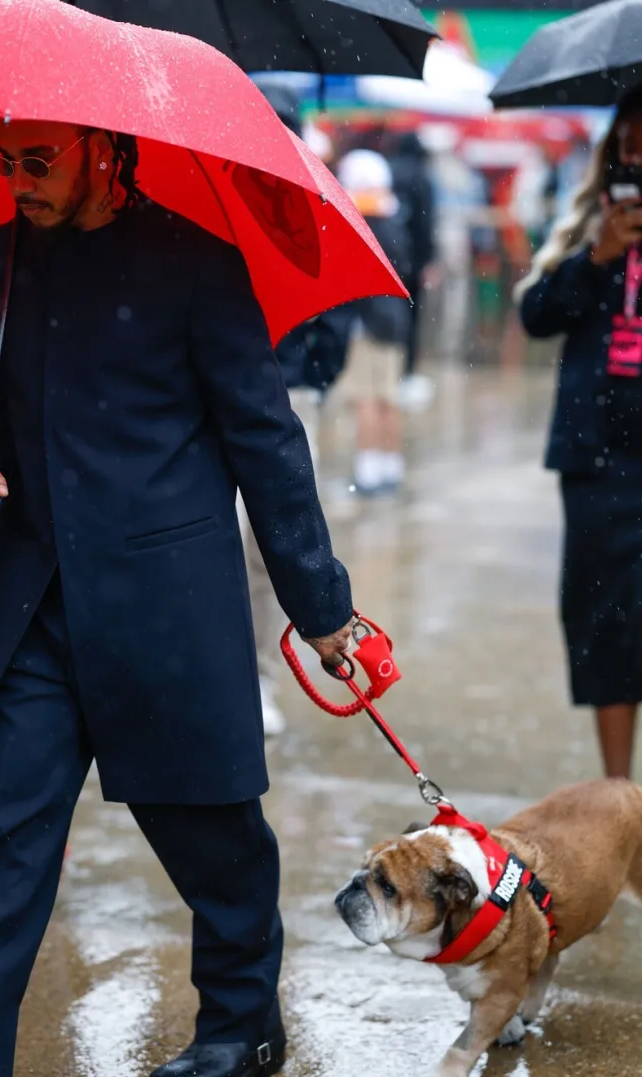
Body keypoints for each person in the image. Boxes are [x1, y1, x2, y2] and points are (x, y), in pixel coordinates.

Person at [0, 119, 354, 1077]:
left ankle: (241, 1017)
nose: (15, 180)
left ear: (105, 149)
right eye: (4, 160)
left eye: (36, 160)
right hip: (35, 605)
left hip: (163, 600)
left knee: (207, 822)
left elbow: (265, 443)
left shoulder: (197, 265)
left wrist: (323, 608)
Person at [518, 88, 642, 781]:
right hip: (597, 464)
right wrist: (595, 259)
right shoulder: (585, 226)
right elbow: (536, 315)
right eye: (626, 144)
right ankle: (620, 800)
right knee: (607, 623)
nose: (635, 158)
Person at [245, 79, 352, 736]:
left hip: (283, 399)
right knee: (226, 540)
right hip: (218, 404)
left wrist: (309, 381)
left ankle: (255, 674)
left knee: (266, 543)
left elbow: (334, 312)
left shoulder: (311, 209)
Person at [337, 149, 412, 496]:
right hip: (394, 323)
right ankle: (390, 468)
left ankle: (368, 473)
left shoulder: (355, 227)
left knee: (366, 399)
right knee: (388, 398)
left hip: (365, 326)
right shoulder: (395, 222)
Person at [389, 132, 439, 408]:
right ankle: (405, 373)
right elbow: (426, 223)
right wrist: (426, 261)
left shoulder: (389, 171)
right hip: (412, 264)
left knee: (387, 318)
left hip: (387, 259)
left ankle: (389, 373)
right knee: (411, 318)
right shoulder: (421, 177)